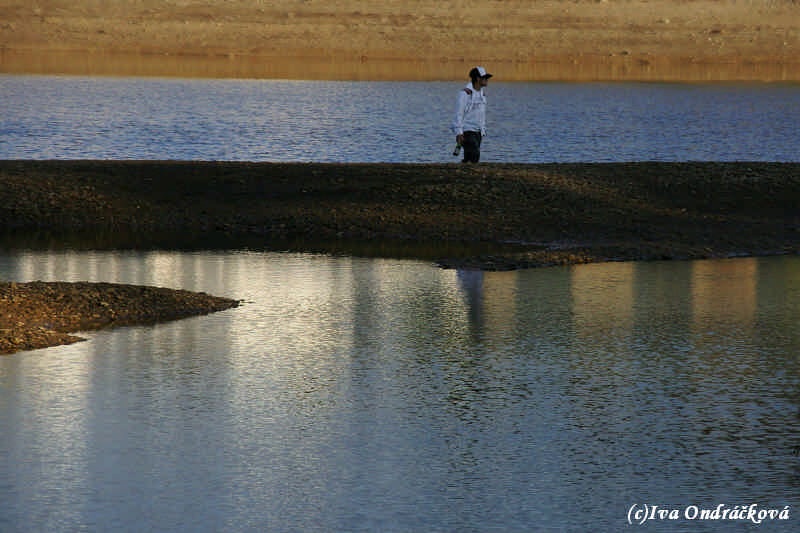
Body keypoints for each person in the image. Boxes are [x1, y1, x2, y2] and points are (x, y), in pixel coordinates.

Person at [451, 66, 492, 163]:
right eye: (485, 78)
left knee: (471, 157)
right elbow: (458, 113)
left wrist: (482, 130)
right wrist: (459, 132)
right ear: (478, 78)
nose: (487, 80)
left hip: (478, 132)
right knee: (474, 155)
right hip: (467, 131)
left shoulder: (482, 95)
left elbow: (481, 115)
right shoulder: (465, 94)